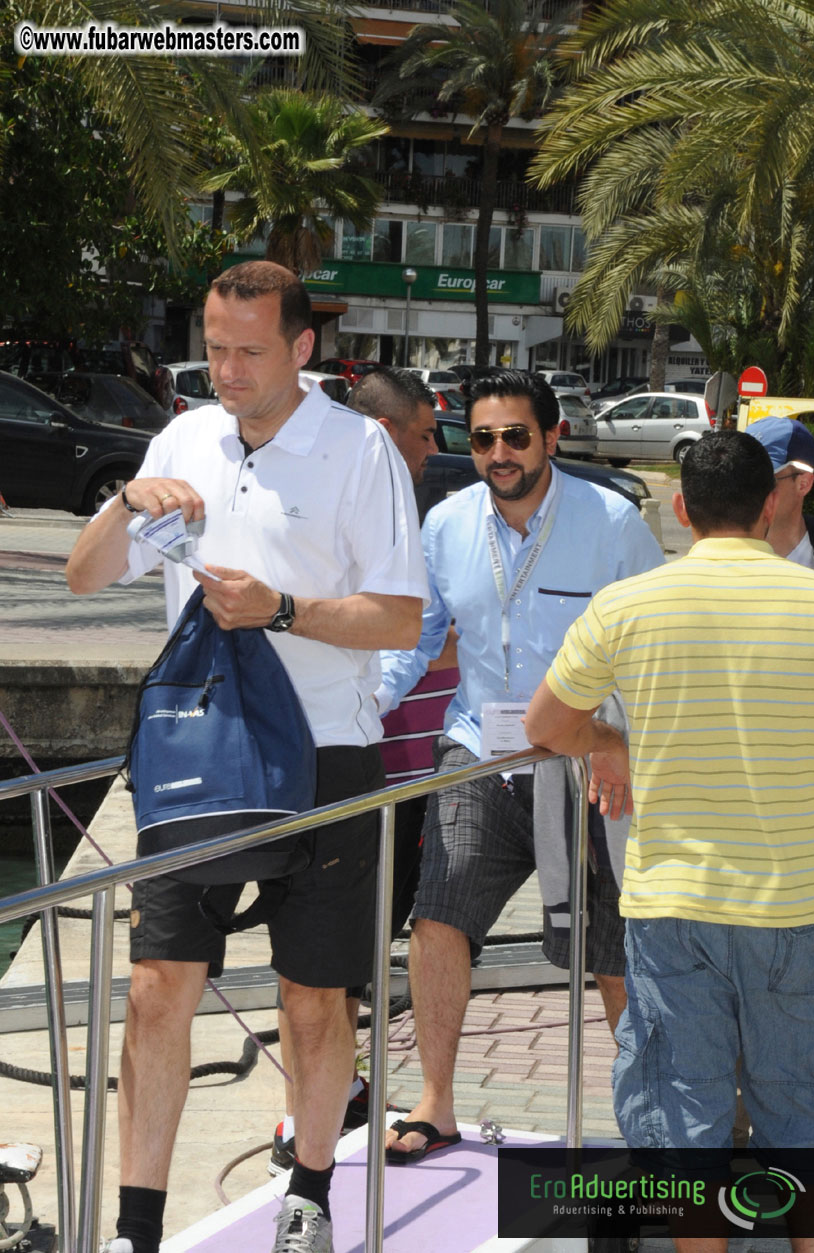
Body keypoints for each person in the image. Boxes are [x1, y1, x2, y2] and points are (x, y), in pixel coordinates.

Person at [65, 261, 428, 1253]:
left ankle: (307, 1193)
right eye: (216, 347)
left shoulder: (358, 452)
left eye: (249, 351)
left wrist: (282, 608)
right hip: (200, 755)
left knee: (315, 993)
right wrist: (124, 503)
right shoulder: (181, 435)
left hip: (328, 756)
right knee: (156, 987)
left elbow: (400, 614)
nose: (225, 369)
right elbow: (86, 575)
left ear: (302, 350)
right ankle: (137, 1224)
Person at [525, 431, 814, 1252]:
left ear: (682, 509)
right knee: (805, 1115)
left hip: (674, 907)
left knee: (683, 1124)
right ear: (771, 506)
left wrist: (612, 742)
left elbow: (547, 726)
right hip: (803, 905)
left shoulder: (628, 607)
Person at [378, 370, 664, 1163]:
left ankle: (649, 1128)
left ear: (552, 435)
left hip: (584, 760)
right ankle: (436, 1101)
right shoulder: (445, 523)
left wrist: (621, 746)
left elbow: (649, 653)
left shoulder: (612, 524)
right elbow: (419, 635)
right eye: (480, 439)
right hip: (479, 750)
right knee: (439, 918)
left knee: (611, 950)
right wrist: (364, 705)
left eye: (514, 436)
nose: (497, 454)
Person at [269, 365, 459, 1173]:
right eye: (425, 435)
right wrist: (371, 709)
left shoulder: (402, 507)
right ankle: (315, 1110)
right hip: (359, 759)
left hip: (393, 764)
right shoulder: (348, 500)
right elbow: (407, 641)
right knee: (332, 956)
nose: (433, 451)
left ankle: (326, 1098)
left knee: (343, 953)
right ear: (384, 431)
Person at [745, 416, 814, 569]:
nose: (748, 488)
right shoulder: (716, 554)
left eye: (763, 480)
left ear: (803, 484)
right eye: (741, 476)